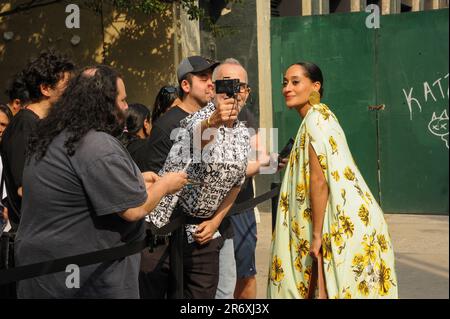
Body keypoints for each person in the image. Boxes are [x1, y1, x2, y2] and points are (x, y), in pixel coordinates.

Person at [15, 65, 187, 299]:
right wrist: (166, 185)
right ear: (104, 103)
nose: (126, 107)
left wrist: (137, 179)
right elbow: (135, 209)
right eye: (123, 100)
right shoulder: (95, 144)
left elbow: (84, 188)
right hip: (86, 281)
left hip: (47, 275)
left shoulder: (55, 136)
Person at [268, 62, 398, 299]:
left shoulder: (315, 121)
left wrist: (317, 236)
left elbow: (319, 181)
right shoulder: (323, 116)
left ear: (315, 86)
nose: (287, 88)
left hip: (335, 224)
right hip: (353, 218)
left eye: (295, 82)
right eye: (285, 82)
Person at [149, 58, 252, 299]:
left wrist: (216, 221)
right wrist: (214, 121)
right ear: (214, 89)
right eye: (227, 85)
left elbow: (236, 184)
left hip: (204, 236)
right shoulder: (200, 119)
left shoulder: (242, 132)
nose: (234, 93)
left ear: (247, 92)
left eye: (241, 86)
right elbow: (195, 142)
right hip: (169, 230)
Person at [134, 56, 219, 299]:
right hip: (166, 237)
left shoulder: (214, 122)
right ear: (185, 85)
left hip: (201, 235)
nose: (210, 83)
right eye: (203, 78)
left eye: (212, 78)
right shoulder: (166, 125)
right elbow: (157, 182)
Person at [0, 50, 75, 231]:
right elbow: (25, 188)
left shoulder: (42, 125)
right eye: (68, 86)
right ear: (45, 88)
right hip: (34, 233)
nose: (73, 93)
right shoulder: (24, 126)